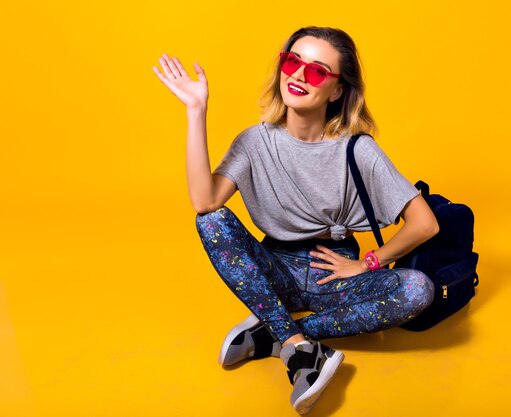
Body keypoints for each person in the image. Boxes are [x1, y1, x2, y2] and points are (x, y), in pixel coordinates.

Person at [153, 26, 439, 414]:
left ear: (337, 90)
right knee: (211, 220)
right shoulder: (255, 142)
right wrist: (196, 111)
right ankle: (298, 348)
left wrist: (367, 263)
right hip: (274, 273)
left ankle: (274, 333)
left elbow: (426, 224)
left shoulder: (358, 149)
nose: (300, 76)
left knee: (417, 289)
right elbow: (204, 201)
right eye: (293, 62)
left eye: (318, 71)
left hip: (332, 276)